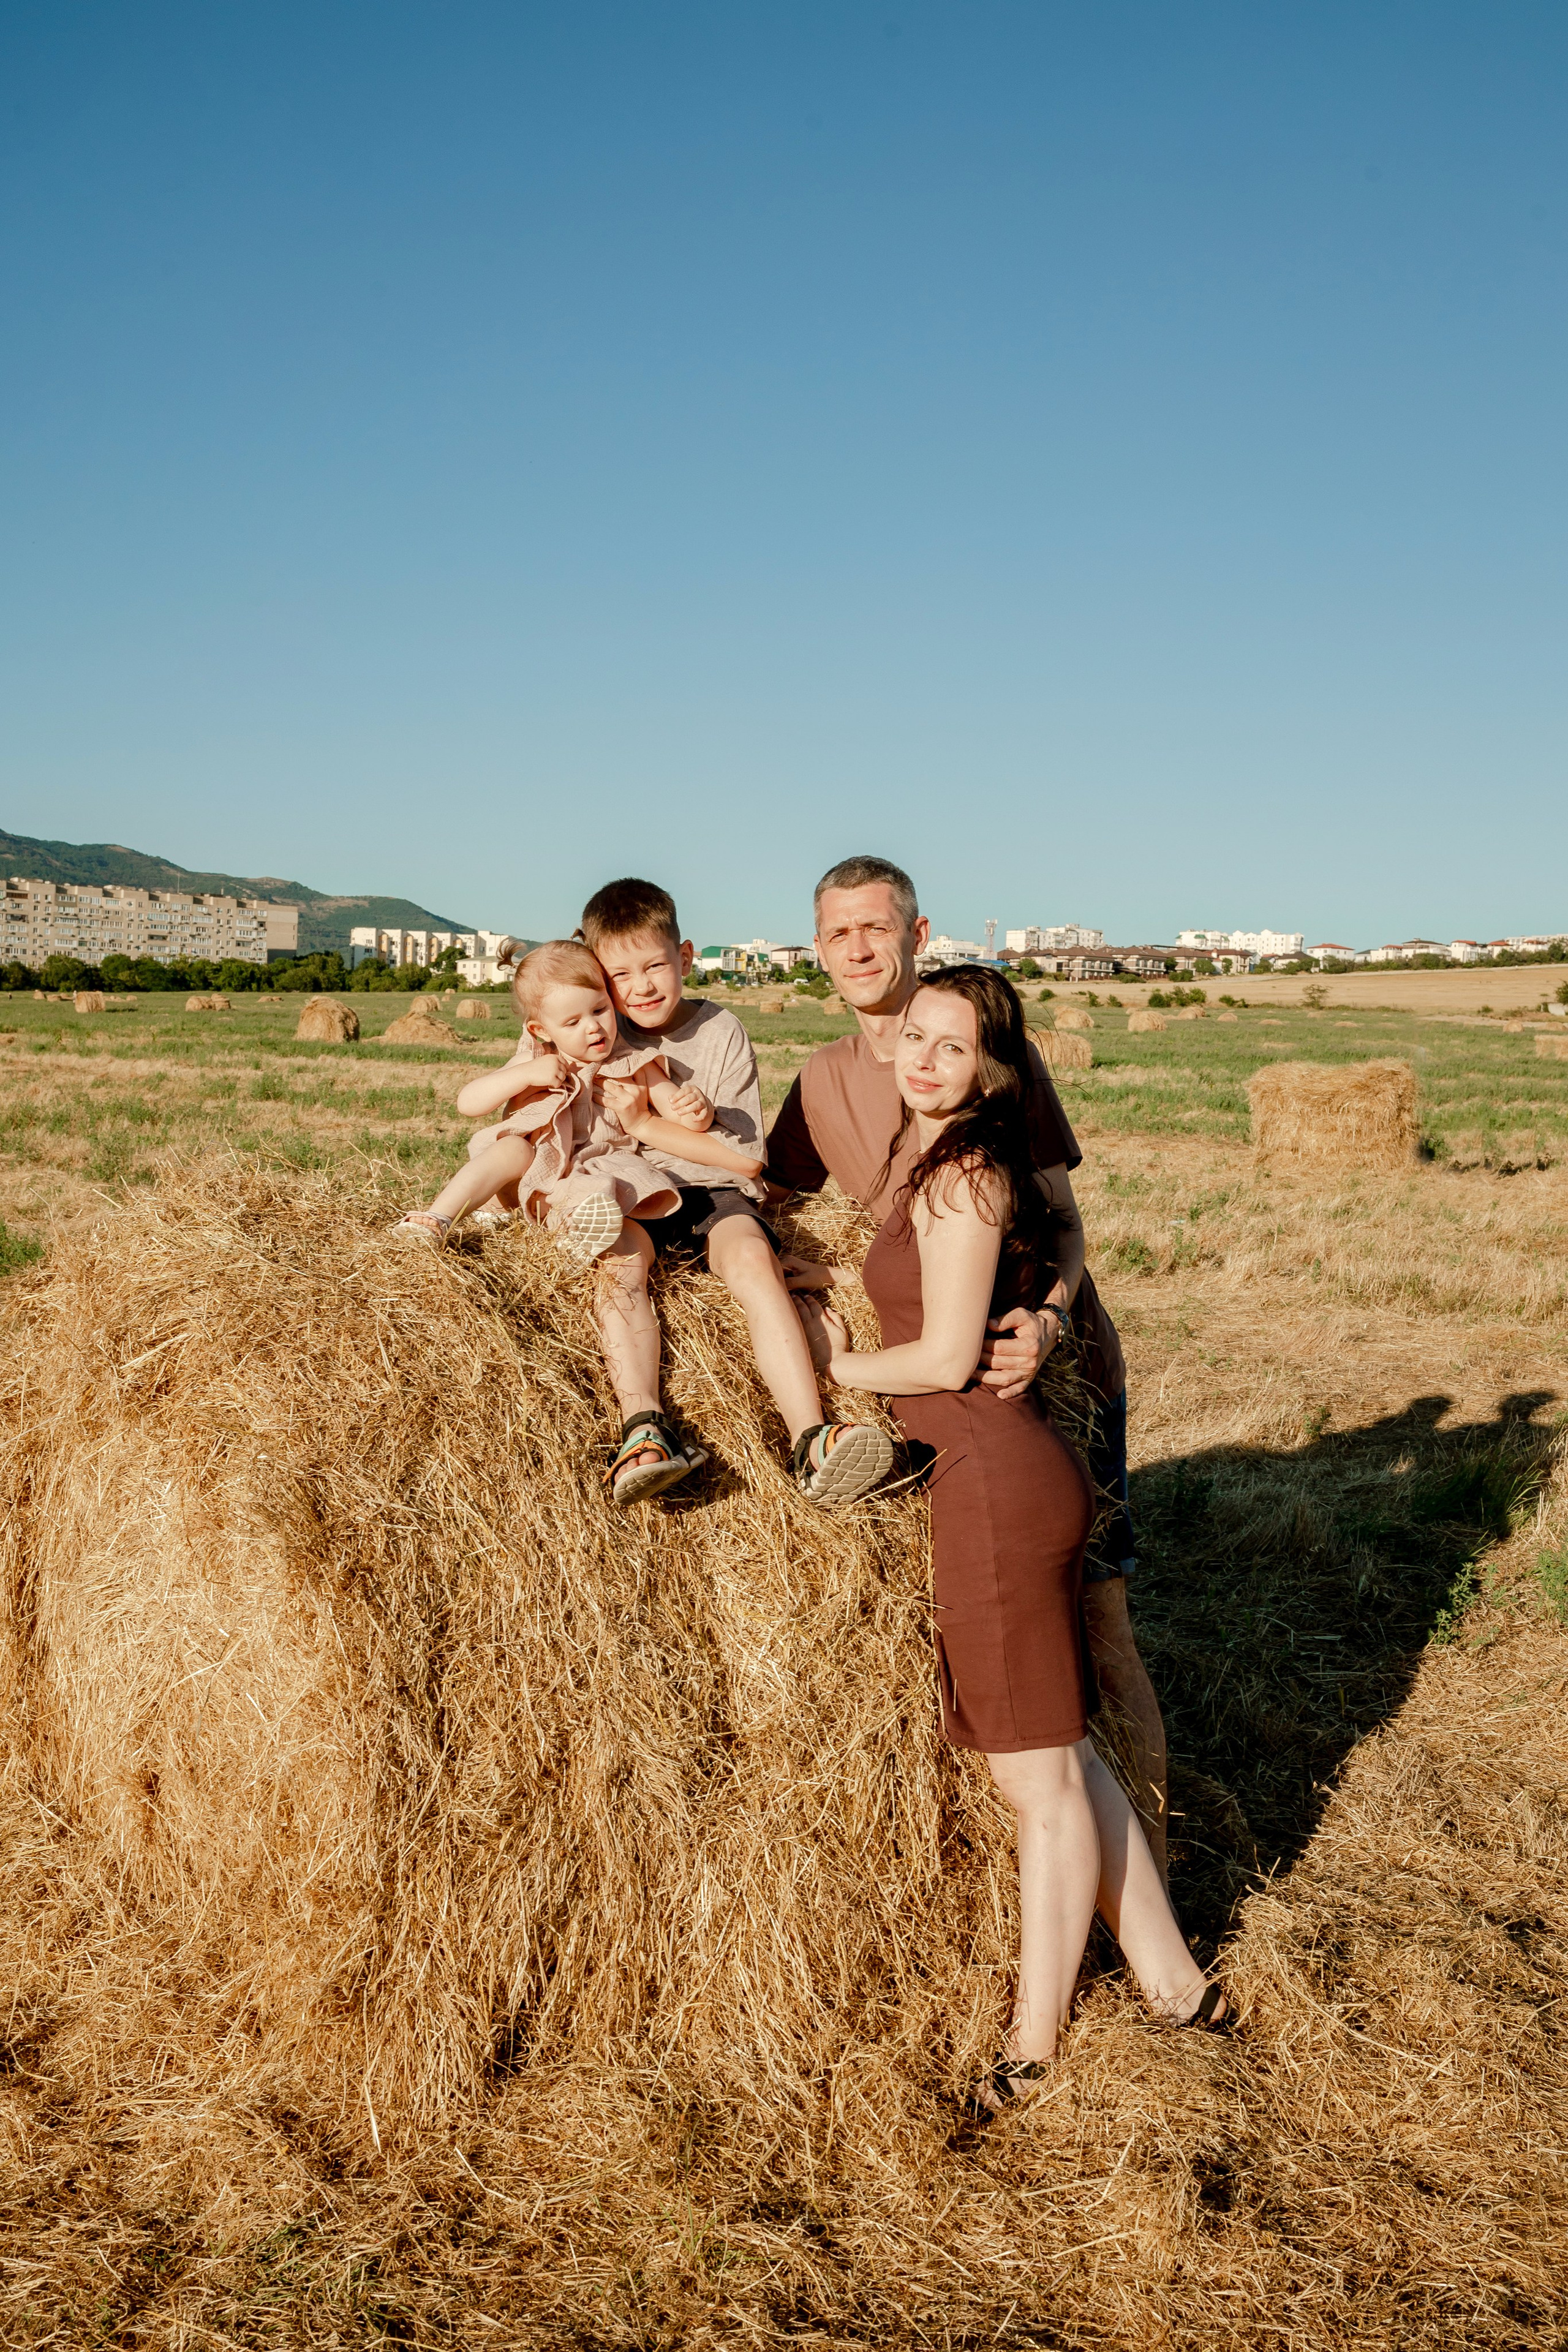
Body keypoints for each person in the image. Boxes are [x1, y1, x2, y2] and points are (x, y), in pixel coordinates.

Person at [792, 965, 1226, 2105]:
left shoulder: (962, 1181)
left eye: (953, 1046)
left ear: (993, 1070)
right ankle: (1178, 1986)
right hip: (1007, 1473)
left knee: (1033, 1786)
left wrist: (829, 1364)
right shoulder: (948, 1167)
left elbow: (939, 1361)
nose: (925, 1058)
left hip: (989, 1484)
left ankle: (1032, 2049)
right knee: (1065, 1759)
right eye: (916, 1039)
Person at [768, 854, 1171, 1874]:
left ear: (917, 931)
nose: (858, 948)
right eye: (837, 932)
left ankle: (1159, 1878)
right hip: (938, 1390)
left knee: (1102, 1625)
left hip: (1051, 1380)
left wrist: (1046, 1317)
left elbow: (1069, 1227)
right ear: (817, 949)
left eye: (876, 927)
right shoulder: (820, 1081)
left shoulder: (991, 1051)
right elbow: (768, 1201)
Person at [561, 879, 895, 1509]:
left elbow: (745, 1164)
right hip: (631, 1194)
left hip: (713, 1192)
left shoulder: (720, 1031)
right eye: (620, 975)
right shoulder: (592, 1030)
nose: (641, 986)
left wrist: (665, 1122)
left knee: (752, 1260)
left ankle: (812, 1437)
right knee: (621, 1267)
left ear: (684, 958)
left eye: (656, 965)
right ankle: (643, 1430)